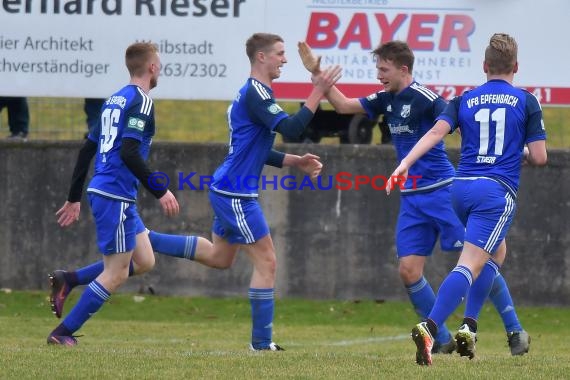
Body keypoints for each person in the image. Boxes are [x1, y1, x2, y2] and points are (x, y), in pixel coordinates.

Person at [49, 32, 341, 351]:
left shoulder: (116, 99)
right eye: (280, 54)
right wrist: (319, 91)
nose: (285, 59)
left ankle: (80, 275)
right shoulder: (249, 93)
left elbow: (250, 150)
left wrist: (293, 161)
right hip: (224, 193)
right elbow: (293, 129)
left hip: (179, 190)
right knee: (267, 262)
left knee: (199, 258)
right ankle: (261, 344)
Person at [299, 40, 531, 356]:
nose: (378, 75)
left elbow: (462, 129)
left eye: (383, 69)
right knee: (409, 270)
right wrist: (317, 74)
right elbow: (342, 105)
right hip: (411, 199)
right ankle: (442, 338)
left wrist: (513, 149)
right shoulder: (385, 99)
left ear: (403, 69)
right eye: (377, 69)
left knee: (482, 257)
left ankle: (514, 329)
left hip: (443, 192)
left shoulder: (426, 98)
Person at [387, 33, 547, 365]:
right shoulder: (526, 100)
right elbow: (540, 157)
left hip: (459, 189)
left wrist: (404, 163)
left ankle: (468, 327)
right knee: (470, 262)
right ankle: (430, 328)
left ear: (485, 66)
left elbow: (434, 133)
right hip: (495, 191)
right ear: (516, 66)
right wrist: (515, 154)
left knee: (495, 251)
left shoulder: (465, 99)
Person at [46, 42, 181, 346]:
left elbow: (87, 148)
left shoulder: (114, 100)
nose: (159, 68)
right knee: (116, 273)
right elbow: (130, 152)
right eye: (158, 63)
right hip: (115, 195)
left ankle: (71, 279)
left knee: (144, 259)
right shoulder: (142, 101)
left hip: (110, 193)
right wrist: (161, 190)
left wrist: (74, 196)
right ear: (152, 68)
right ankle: (62, 333)